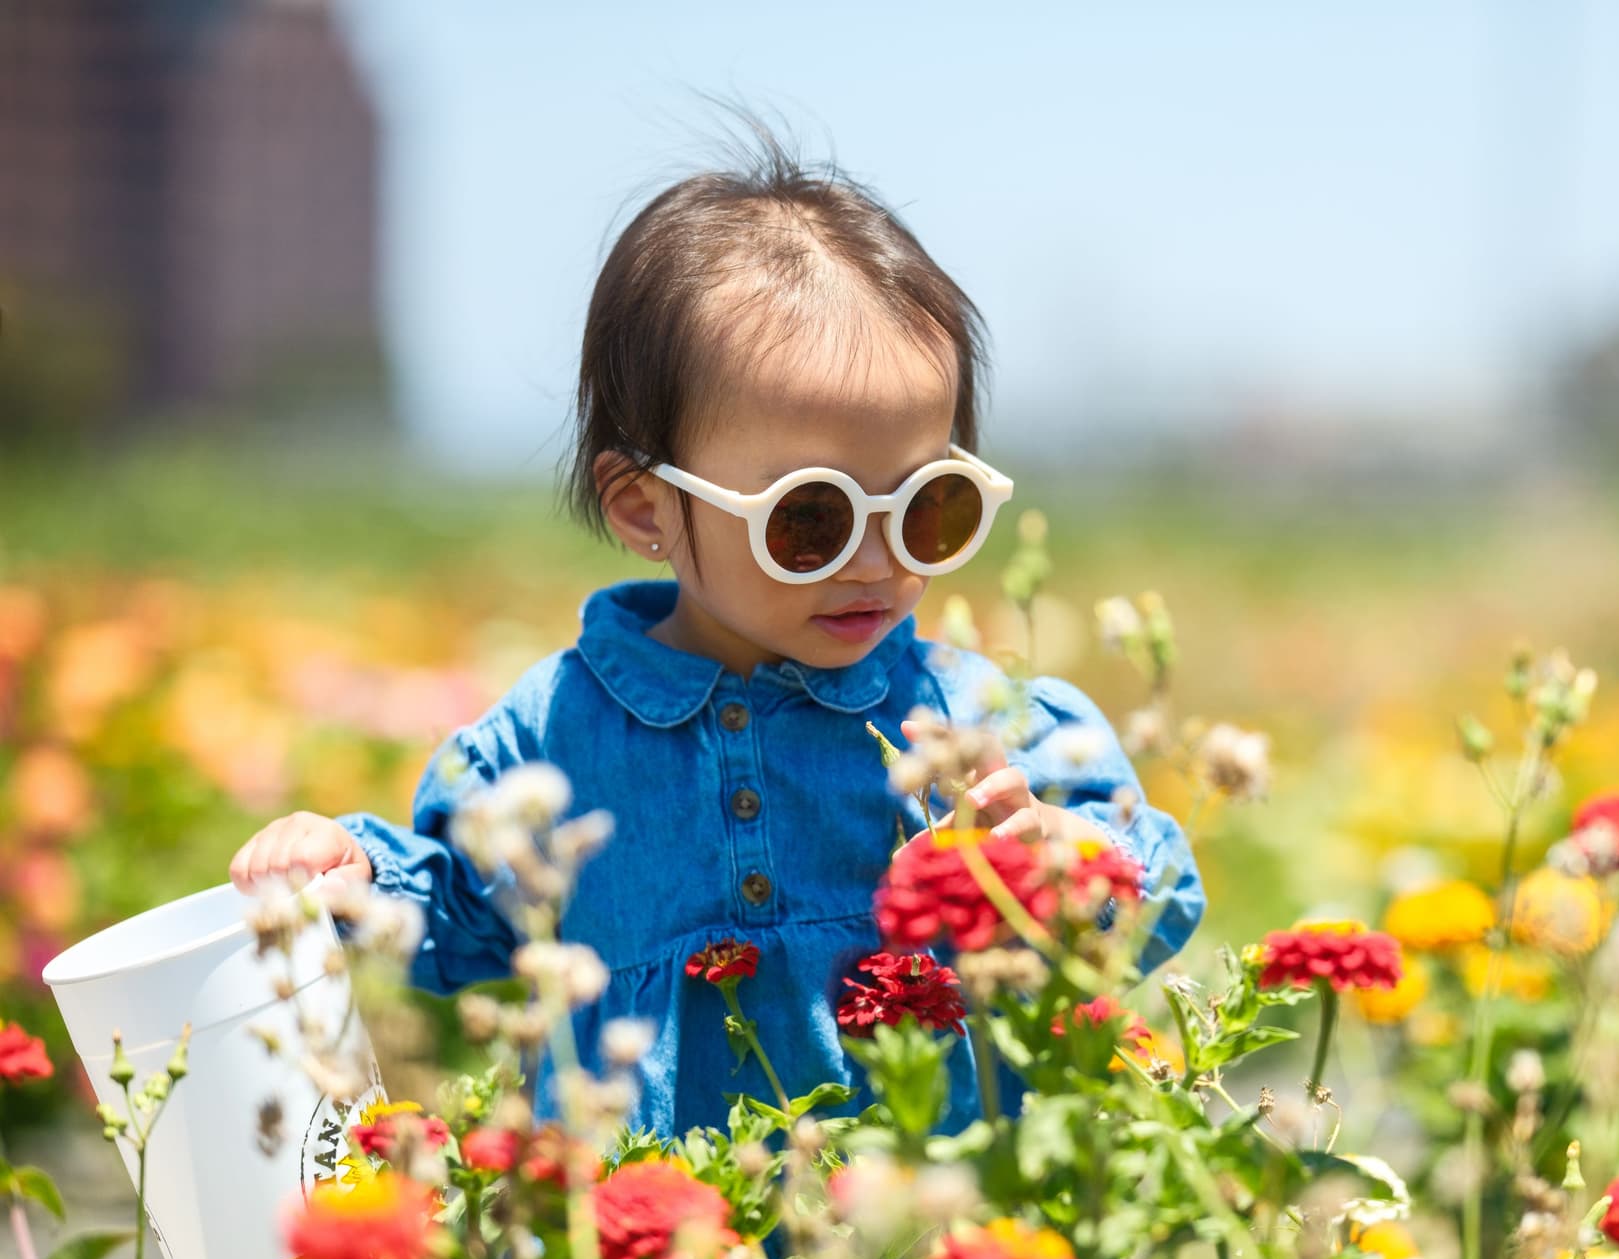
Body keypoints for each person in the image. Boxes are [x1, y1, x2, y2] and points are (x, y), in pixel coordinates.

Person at [226, 124, 1205, 1145]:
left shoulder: (976, 723)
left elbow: (1160, 897)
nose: (877, 561)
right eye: (811, 518)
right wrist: (349, 872)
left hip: (922, 1227)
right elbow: (463, 917)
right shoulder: (552, 743)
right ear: (647, 507)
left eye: (929, 505)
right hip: (652, 1248)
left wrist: (1064, 861)